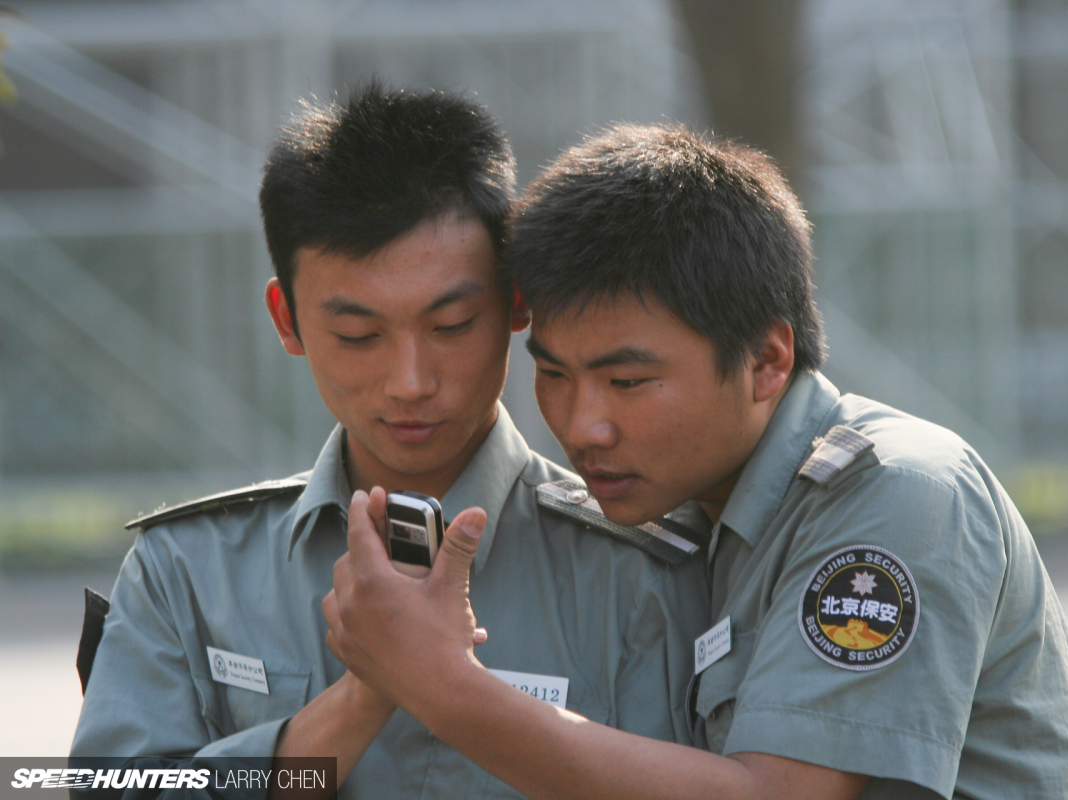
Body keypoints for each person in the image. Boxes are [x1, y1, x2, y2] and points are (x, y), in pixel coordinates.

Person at [323, 123, 1068, 799]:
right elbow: (210, 777)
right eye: (553, 374)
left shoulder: (896, 493)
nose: (583, 426)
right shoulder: (701, 513)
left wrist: (439, 681)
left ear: (766, 362)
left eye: (628, 382)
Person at [71, 91, 710, 799]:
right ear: (288, 320)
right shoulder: (187, 573)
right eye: (358, 336)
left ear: (516, 303)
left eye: (452, 324)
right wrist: (370, 690)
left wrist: (434, 682)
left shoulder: (644, 574)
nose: (409, 382)